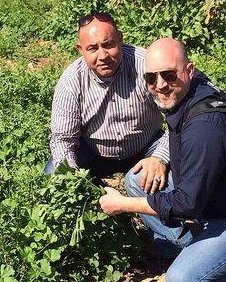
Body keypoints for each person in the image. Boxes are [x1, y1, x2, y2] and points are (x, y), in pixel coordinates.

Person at [99, 37, 226, 282]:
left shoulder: (204, 128)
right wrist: (159, 159)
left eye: (169, 75)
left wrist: (123, 205)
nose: (160, 85)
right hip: (213, 199)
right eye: (151, 78)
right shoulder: (188, 94)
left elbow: (186, 205)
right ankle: (203, 250)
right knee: (137, 180)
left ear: (189, 70)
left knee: (184, 280)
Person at [46, 12, 169, 193]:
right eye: (92, 49)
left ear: (120, 39)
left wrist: (159, 158)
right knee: (54, 173)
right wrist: (73, 179)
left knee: (182, 163)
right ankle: (97, 193)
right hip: (95, 153)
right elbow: (62, 139)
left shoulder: (146, 66)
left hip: (146, 146)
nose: (103, 55)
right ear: (80, 50)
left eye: (108, 44)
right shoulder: (71, 81)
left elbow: (180, 117)